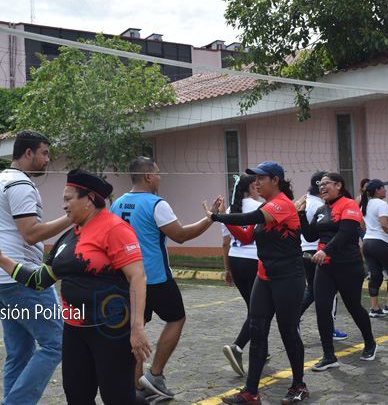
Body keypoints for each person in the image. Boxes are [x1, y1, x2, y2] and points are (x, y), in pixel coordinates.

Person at [0, 169, 151, 405]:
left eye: (68, 199)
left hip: (111, 329)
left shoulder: (115, 228)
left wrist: (137, 328)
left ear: (90, 199)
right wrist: (1, 258)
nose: (63, 206)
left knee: (117, 398)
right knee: (77, 396)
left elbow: (138, 277)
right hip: (75, 330)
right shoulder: (69, 237)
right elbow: (39, 280)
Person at [110, 156, 221, 399]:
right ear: (148, 176)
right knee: (177, 318)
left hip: (126, 279)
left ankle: (137, 388)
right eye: (158, 173)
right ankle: (155, 374)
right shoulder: (156, 203)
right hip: (155, 278)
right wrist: (210, 218)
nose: (160, 177)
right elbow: (180, 235)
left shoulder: (116, 204)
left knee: (136, 329)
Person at [205, 160, 309, 405]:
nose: (256, 183)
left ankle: (299, 385)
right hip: (264, 277)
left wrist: (219, 216)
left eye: (261, 178)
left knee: (288, 332)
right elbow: (246, 235)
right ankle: (251, 392)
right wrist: (223, 219)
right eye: (255, 179)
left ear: (275, 180)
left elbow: (251, 216)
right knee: (257, 331)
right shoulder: (266, 207)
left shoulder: (282, 204)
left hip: (288, 278)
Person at [0, 130, 71, 405]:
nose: (48, 159)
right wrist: (73, 217)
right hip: (21, 280)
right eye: (44, 153)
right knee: (56, 344)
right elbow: (31, 233)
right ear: (28, 153)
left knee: (19, 354)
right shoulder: (19, 184)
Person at [296, 172, 378, 371]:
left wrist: (325, 250)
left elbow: (346, 232)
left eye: (326, 184)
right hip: (325, 268)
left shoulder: (349, 204)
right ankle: (329, 356)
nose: (322, 187)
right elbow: (309, 234)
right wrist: (300, 213)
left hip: (348, 266)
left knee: (353, 307)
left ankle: (370, 343)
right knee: (322, 309)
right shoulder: (323, 209)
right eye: (320, 184)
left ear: (338, 185)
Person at [298, 170, 348, 341]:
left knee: (313, 289)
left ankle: (296, 318)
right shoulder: (318, 205)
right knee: (325, 292)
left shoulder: (307, 201)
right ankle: (329, 328)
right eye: (323, 184)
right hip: (317, 251)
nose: (324, 188)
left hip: (308, 249)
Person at [221, 174, 262, 376]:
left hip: (236, 261)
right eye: (257, 185)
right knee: (258, 311)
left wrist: (227, 270)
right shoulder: (259, 207)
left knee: (252, 308)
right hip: (254, 262)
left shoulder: (229, 210)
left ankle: (261, 346)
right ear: (252, 187)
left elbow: (225, 243)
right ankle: (237, 348)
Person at [360, 179, 388, 318]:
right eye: (383, 188)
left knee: (376, 275)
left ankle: (374, 308)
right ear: (377, 190)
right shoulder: (382, 204)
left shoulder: (365, 205)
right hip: (381, 242)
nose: (385, 190)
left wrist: (369, 232)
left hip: (367, 242)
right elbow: (384, 225)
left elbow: (361, 222)